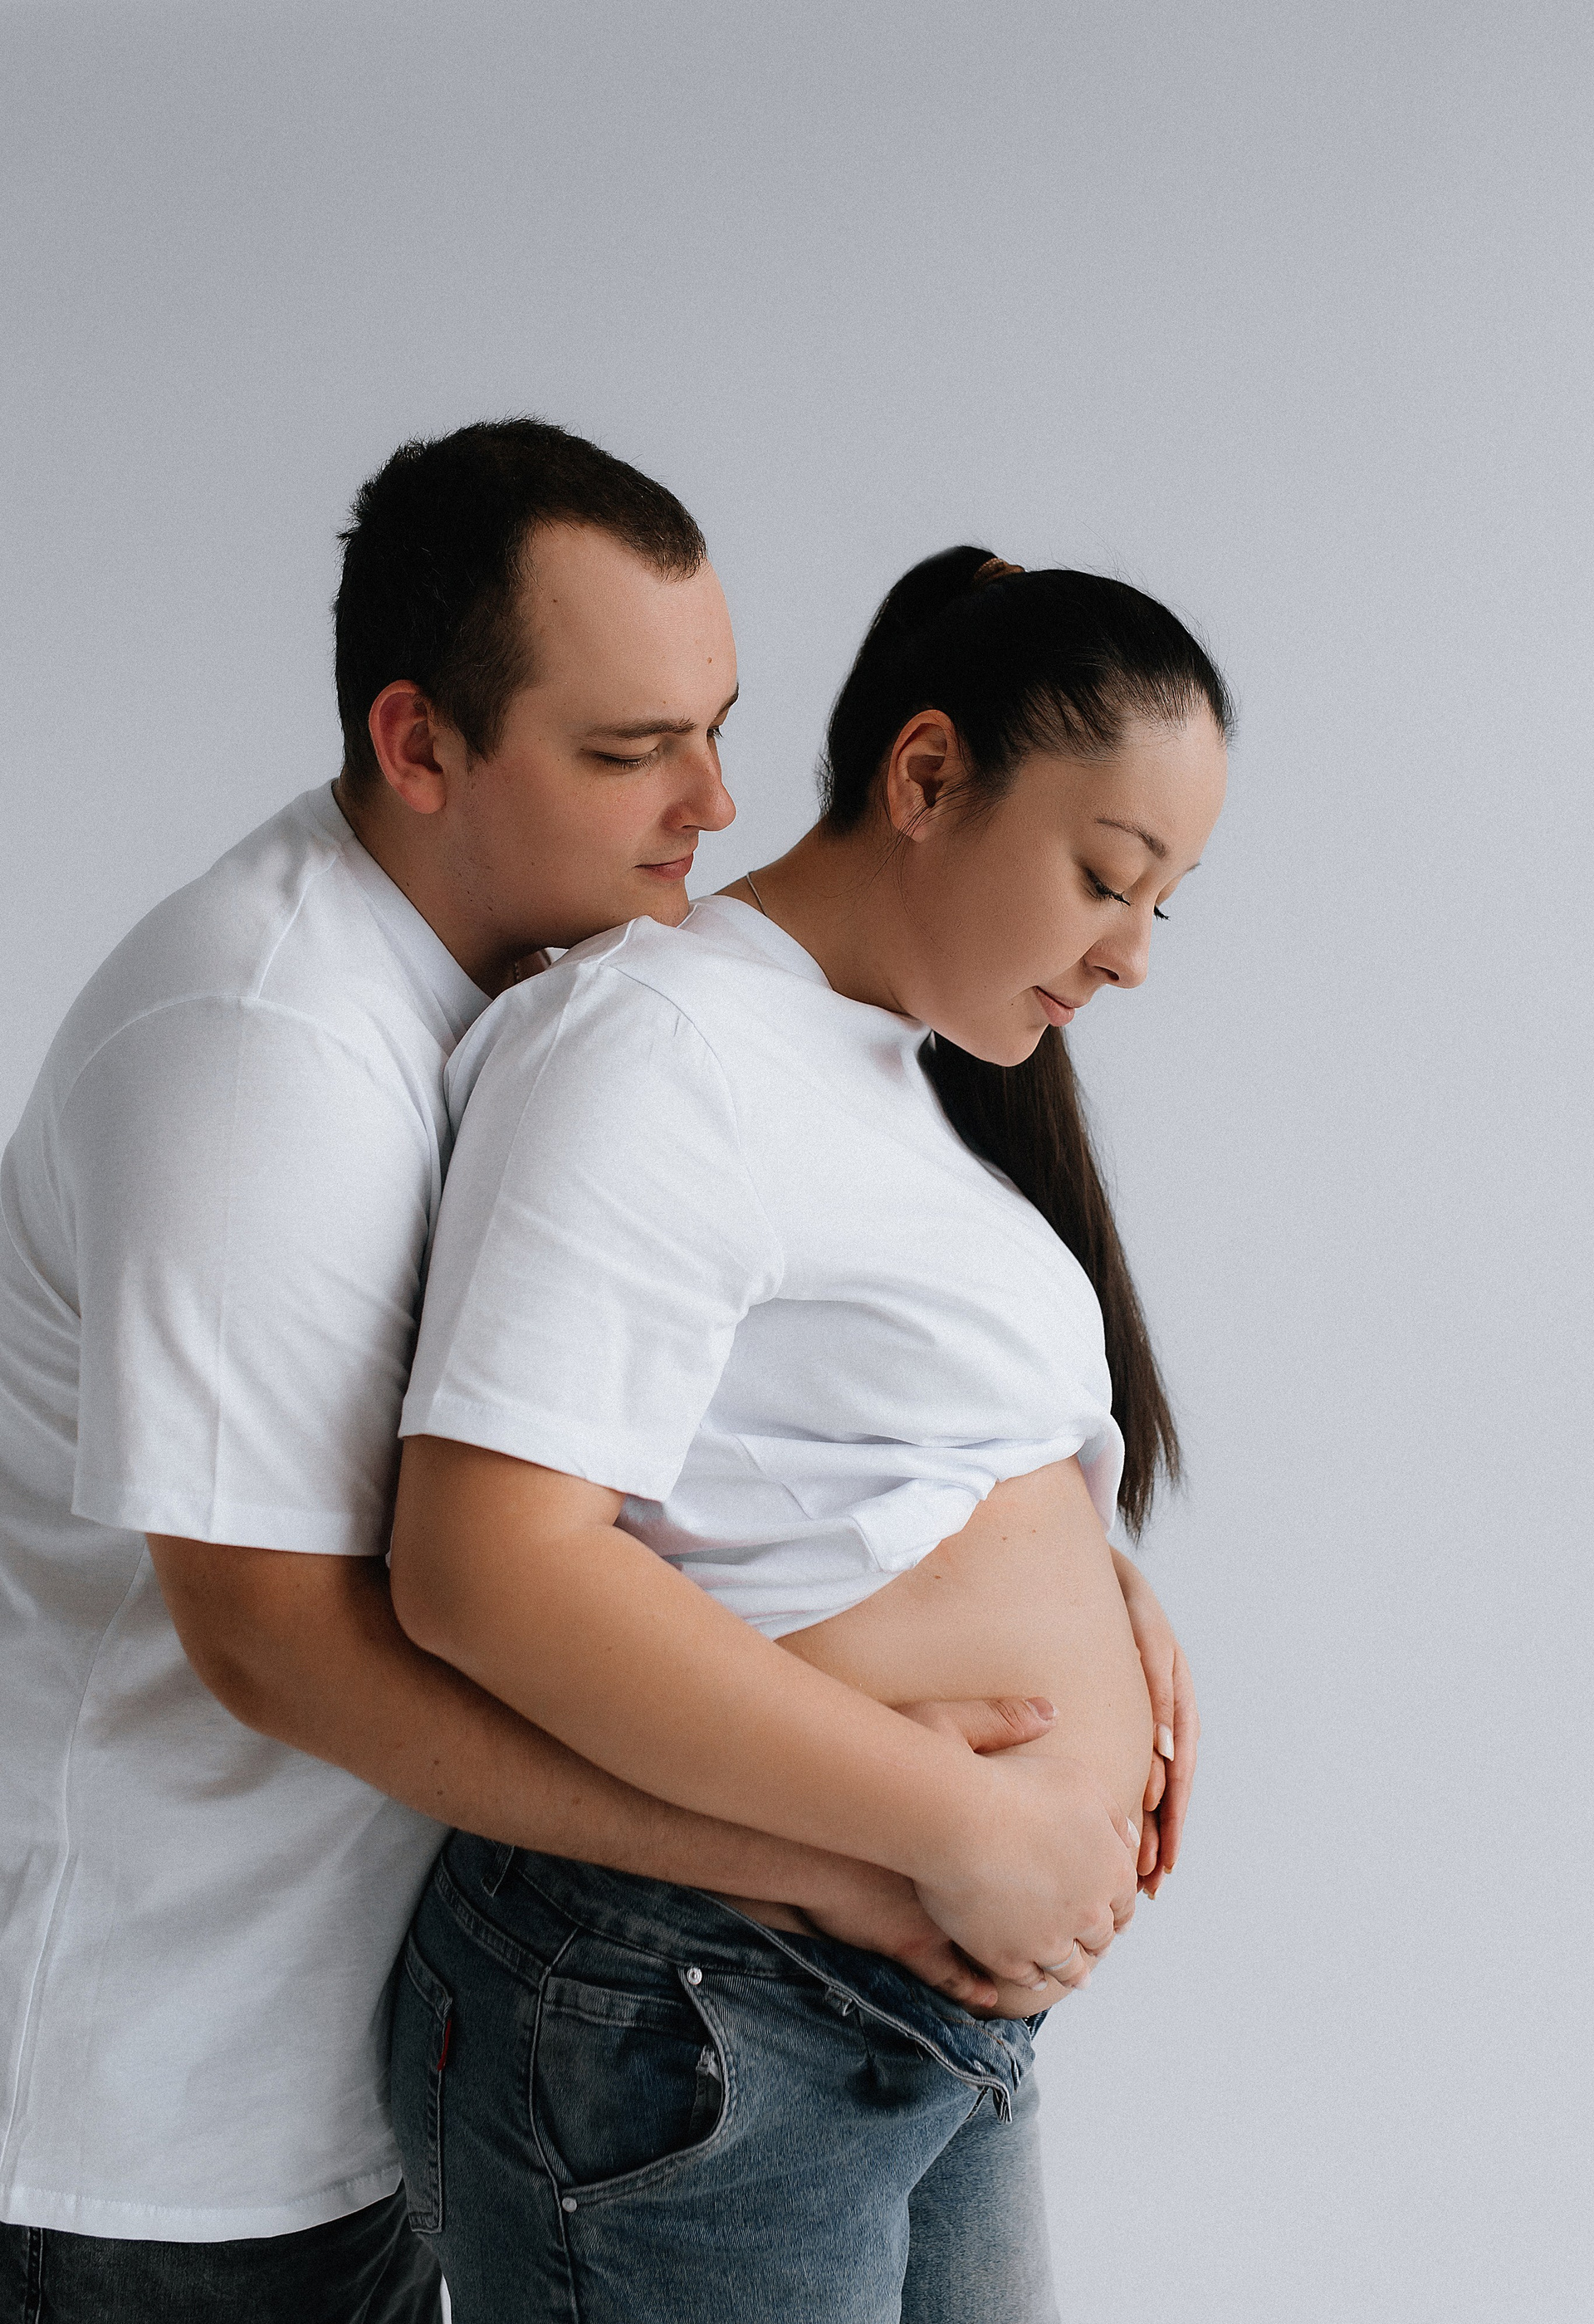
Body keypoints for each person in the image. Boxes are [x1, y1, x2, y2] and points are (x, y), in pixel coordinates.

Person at [0, 428, 1189, 2324]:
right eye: (631, 751)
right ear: (419, 747)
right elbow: (293, 1639)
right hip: (160, 2113)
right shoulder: (266, 1053)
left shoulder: (557, 996)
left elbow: (679, 1428)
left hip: (358, 2039)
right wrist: (864, 1846)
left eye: (716, 728)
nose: (714, 800)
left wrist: (1057, 1563)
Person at [386, 546, 1229, 2321]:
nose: (1136, 957)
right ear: (924, 776)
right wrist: (960, 1820)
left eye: (1168, 903)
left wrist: (1093, 1581)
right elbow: (483, 1567)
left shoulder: (883, 1076)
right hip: (704, 2005)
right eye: (1106, 878)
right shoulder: (651, 1042)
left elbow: (838, 1464)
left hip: (879, 2007)